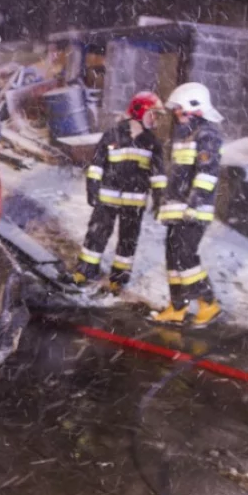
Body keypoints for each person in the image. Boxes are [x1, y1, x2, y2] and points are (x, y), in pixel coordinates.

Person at [72, 91, 166, 294]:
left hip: (135, 203)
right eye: (153, 113)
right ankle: (85, 270)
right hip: (107, 198)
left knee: (128, 240)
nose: (156, 119)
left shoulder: (152, 143)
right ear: (139, 111)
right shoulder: (112, 134)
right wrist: (92, 187)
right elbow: (97, 164)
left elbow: (158, 176)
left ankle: (119, 277)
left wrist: (159, 199)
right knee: (97, 233)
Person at [150, 82, 224, 327]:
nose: (177, 114)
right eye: (176, 110)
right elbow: (177, 176)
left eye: (181, 109)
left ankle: (208, 303)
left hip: (194, 210)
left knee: (185, 256)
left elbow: (206, 174)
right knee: (173, 257)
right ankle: (178, 306)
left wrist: (194, 205)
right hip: (177, 209)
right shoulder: (183, 135)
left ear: (197, 108)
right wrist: (165, 204)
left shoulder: (206, 135)